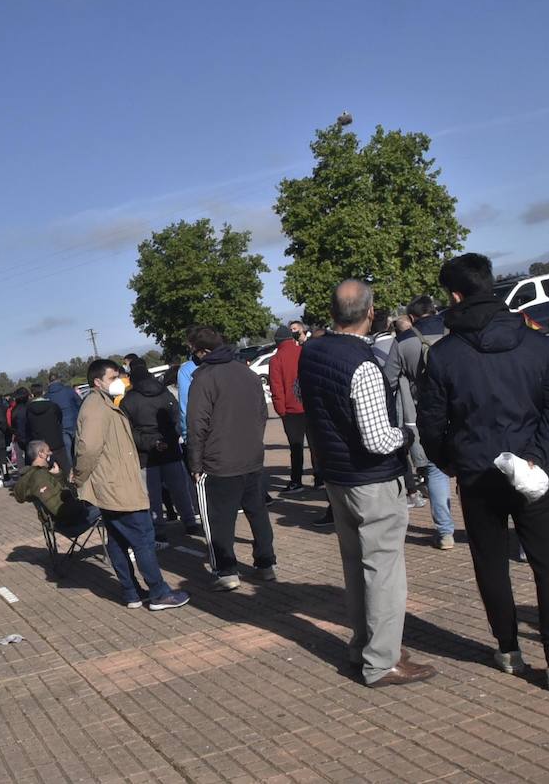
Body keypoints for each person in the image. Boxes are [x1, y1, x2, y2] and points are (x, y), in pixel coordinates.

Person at [418, 253, 549, 692]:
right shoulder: (535, 342)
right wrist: (537, 453)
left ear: (455, 295)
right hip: (533, 470)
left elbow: (431, 426)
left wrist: (452, 462)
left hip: (477, 474)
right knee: (547, 563)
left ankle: (509, 649)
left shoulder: (443, 356)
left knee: (491, 564)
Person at [298, 279, 435, 688]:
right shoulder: (363, 364)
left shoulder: (312, 351)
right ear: (370, 313)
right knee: (384, 571)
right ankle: (381, 659)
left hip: (337, 476)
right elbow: (377, 439)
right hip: (371, 479)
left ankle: (368, 646)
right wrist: (409, 436)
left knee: (357, 567)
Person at [76, 358, 189, 611]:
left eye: (119, 376)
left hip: (114, 483)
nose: (118, 381)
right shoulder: (96, 408)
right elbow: (89, 448)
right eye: (112, 377)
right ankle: (159, 592)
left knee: (117, 540)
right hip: (116, 484)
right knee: (143, 538)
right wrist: (80, 476)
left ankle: (131, 592)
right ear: (97, 382)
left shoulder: (104, 404)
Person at [185, 328, 276, 589]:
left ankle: (226, 571)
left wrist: (195, 462)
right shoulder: (246, 372)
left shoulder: (203, 378)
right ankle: (266, 563)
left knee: (220, 519)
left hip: (220, 461)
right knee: (257, 512)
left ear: (201, 351)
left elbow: (196, 424)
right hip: (251, 456)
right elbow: (262, 413)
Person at [383, 295, 455, 548]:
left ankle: (446, 532)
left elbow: (388, 381)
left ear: (411, 318)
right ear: (434, 310)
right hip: (462, 411)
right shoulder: (453, 332)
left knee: (435, 471)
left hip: (425, 414)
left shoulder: (403, 343)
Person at [121, 358, 201, 536]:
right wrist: (171, 438)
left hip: (146, 456)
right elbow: (177, 417)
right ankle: (190, 522)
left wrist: (151, 443)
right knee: (181, 490)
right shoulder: (164, 392)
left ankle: (159, 529)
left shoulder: (128, 400)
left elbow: (127, 431)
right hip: (171, 449)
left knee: (152, 496)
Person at [12, 439, 100, 537]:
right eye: (48, 450)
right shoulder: (40, 478)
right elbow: (58, 509)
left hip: (63, 519)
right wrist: (82, 505)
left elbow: (57, 494)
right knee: (106, 507)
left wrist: (57, 475)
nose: (51, 453)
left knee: (101, 504)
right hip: (67, 523)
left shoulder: (37, 475)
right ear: (41, 454)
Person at [268, 324, 315, 493]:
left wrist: (280, 410)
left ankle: (296, 481)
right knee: (315, 445)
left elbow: (276, 387)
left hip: (290, 410)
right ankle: (320, 478)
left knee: (296, 448)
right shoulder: (303, 352)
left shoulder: (275, 360)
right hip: (310, 406)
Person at [24, 384, 72, 476]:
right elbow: (59, 419)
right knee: (65, 468)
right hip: (56, 441)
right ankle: (70, 486)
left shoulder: (28, 409)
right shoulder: (53, 406)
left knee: (44, 472)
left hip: (40, 443)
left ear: (32, 395)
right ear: (43, 392)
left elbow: (28, 426)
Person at [45, 373, 83, 459]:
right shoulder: (69, 390)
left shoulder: (47, 396)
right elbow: (80, 403)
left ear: (49, 382)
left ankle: (70, 470)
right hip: (74, 421)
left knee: (67, 450)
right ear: (59, 380)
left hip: (60, 426)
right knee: (78, 447)